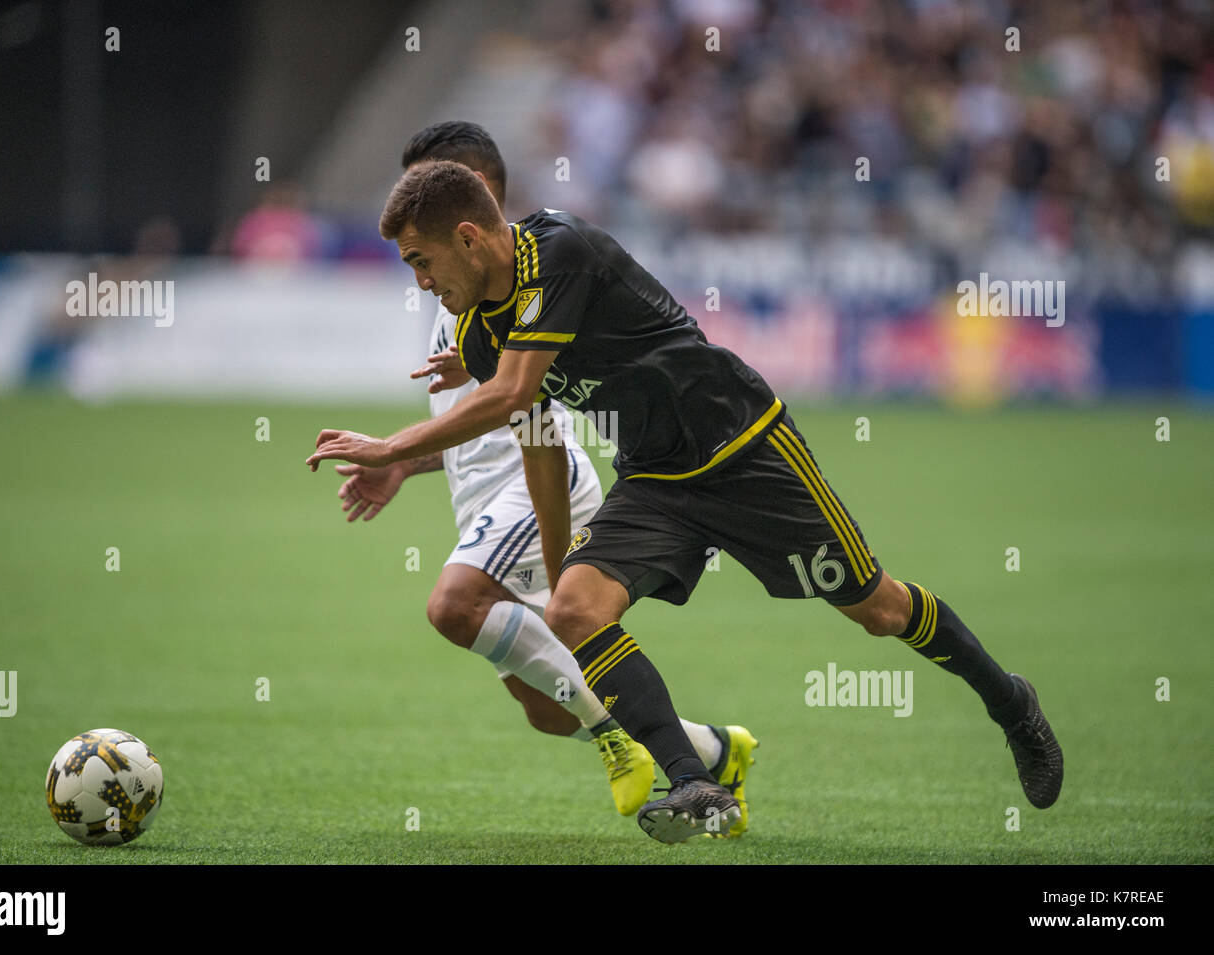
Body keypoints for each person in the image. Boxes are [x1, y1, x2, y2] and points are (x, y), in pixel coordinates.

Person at [307, 159, 1062, 843]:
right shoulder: (479, 333)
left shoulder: (559, 250)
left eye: (420, 261)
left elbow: (515, 390)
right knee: (574, 608)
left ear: (468, 238)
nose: (420, 283)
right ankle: (694, 776)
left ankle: (1009, 702)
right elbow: (537, 433)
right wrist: (561, 548)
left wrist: (390, 449)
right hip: (657, 478)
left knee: (878, 609)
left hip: (742, 446)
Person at [332, 123, 757, 830]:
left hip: (533, 487)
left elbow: (529, 420)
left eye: (429, 182)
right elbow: (471, 424)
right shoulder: (450, 289)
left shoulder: (525, 284)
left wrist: (391, 446)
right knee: (548, 711)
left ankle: (628, 745)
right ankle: (715, 751)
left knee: (452, 605)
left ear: (477, 193)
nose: (412, 199)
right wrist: (409, 462)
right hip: (482, 501)